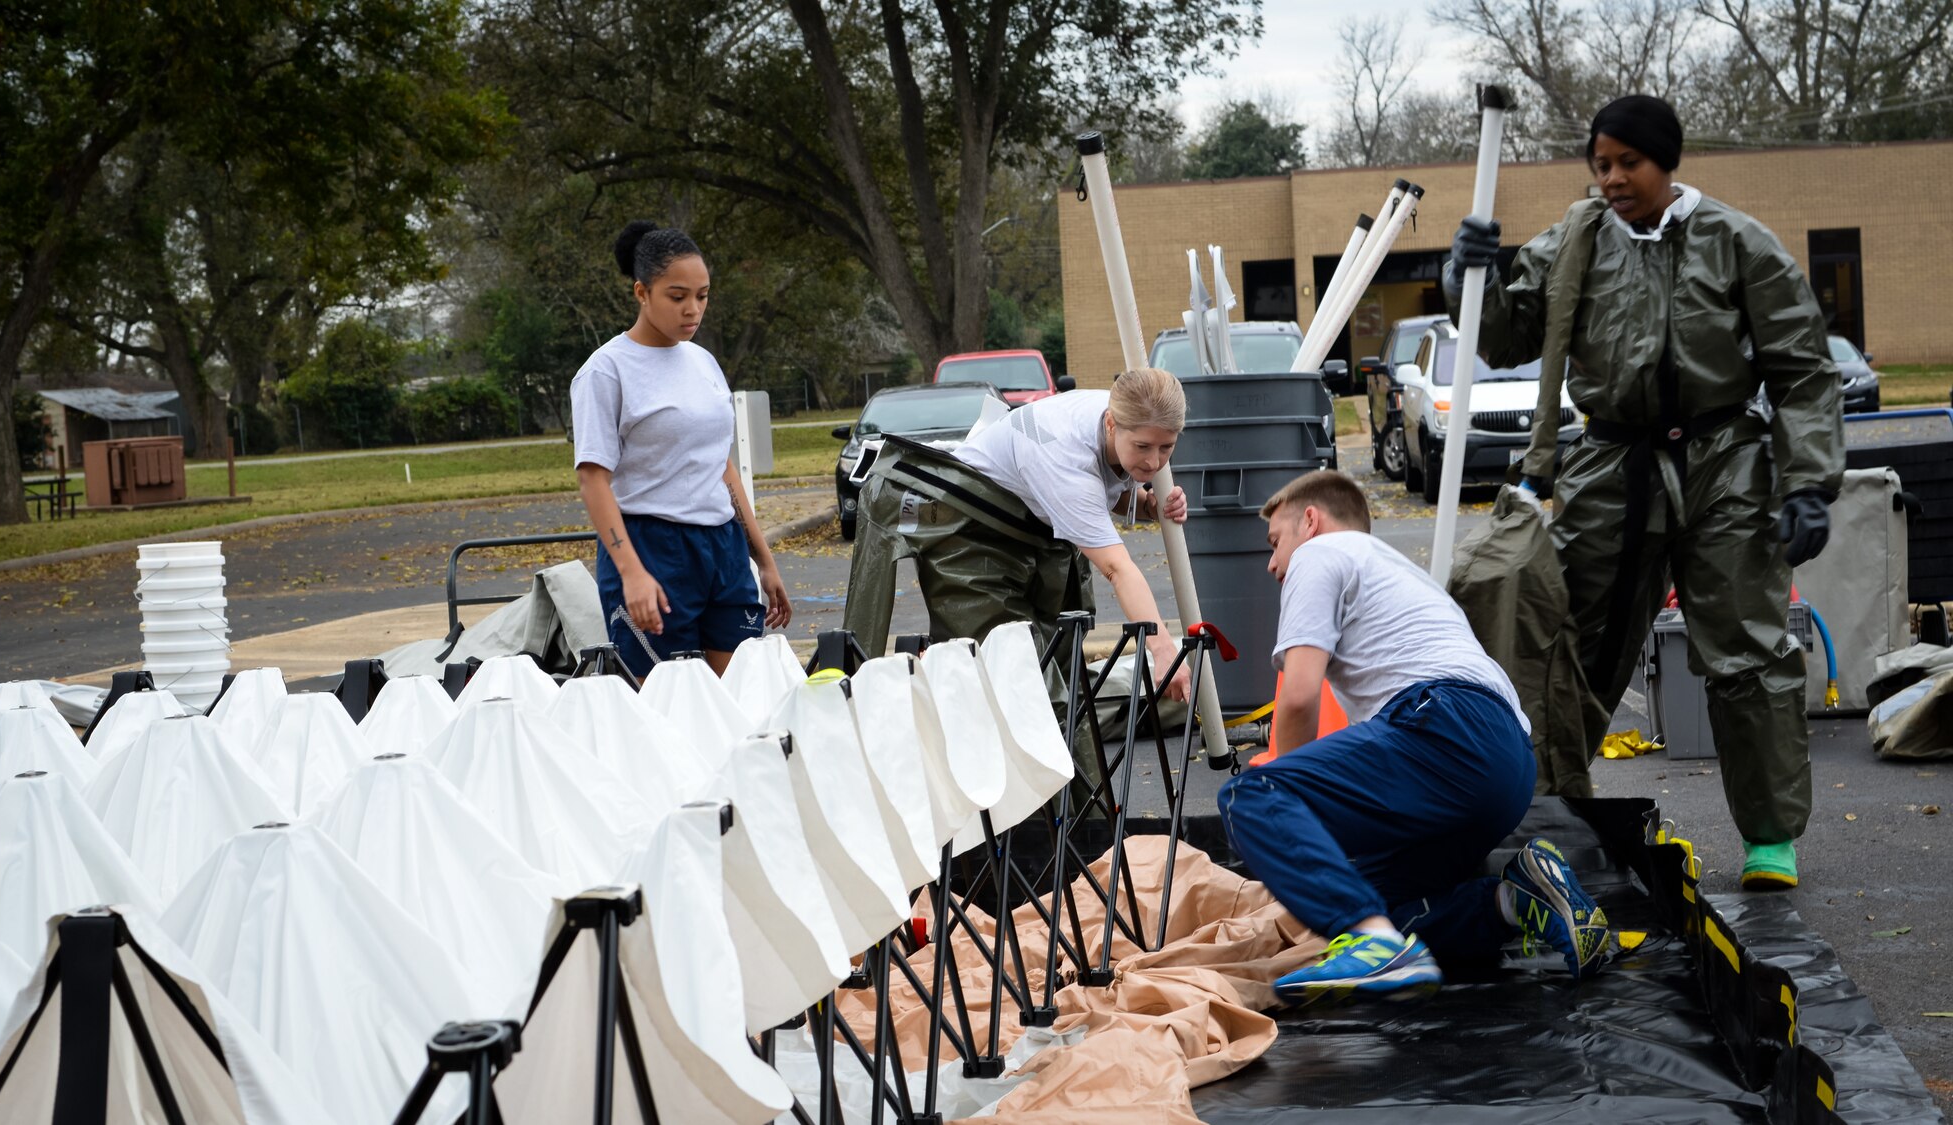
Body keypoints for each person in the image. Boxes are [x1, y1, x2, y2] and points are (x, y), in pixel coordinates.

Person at [1446, 95, 1843, 889]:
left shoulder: (1737, 243)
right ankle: (1550, 814)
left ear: (1668, 161)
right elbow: (1506, 334)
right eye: (1601, 164)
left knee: (1748, 652)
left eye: (1630, 162)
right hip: (1609, 464)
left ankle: (1769, 836)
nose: (1615, 178)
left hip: (1724, 461)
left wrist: (1805, 483)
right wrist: (1469, 275)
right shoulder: (1576, 241)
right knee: (1574, 645)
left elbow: (1801, 369)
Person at [1219, 471, 1611, 1008]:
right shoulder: (1401, 576)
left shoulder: (1322, 554)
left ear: (1309, 521)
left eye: (1274, 541)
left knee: (1252, 796)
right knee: (1377, 902)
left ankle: (1377, 945)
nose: (1272, 563)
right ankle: (1516, 899)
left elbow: (1300, 696)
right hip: (1508, 761)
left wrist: (1288, 812)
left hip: (1446, 725)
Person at [843, 369, 1193, 778]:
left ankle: (1067, 818)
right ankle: (1029, 813)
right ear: (1112, 422)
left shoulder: (1123, 405)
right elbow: (1118, 568)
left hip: (1025, 531)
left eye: (1166, 447)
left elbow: (1112, 479)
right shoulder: (1066, 460)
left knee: (1061, 677)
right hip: (969, 534)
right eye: (1143, 447)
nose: (1154, 461)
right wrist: (1163, 649)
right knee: (1025, 682)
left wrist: (1147, 503)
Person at [571, 220, 791, 677]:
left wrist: (763, 561)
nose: (692, 309)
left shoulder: (703, 362)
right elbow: (593, 478)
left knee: (739, 696)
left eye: (702, 295)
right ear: (641, 293)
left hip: (722, 550)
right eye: (677, 296)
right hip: (652, 547)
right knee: (669, 707)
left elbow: (721, 466)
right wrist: (631, 571)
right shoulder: (606, 371)